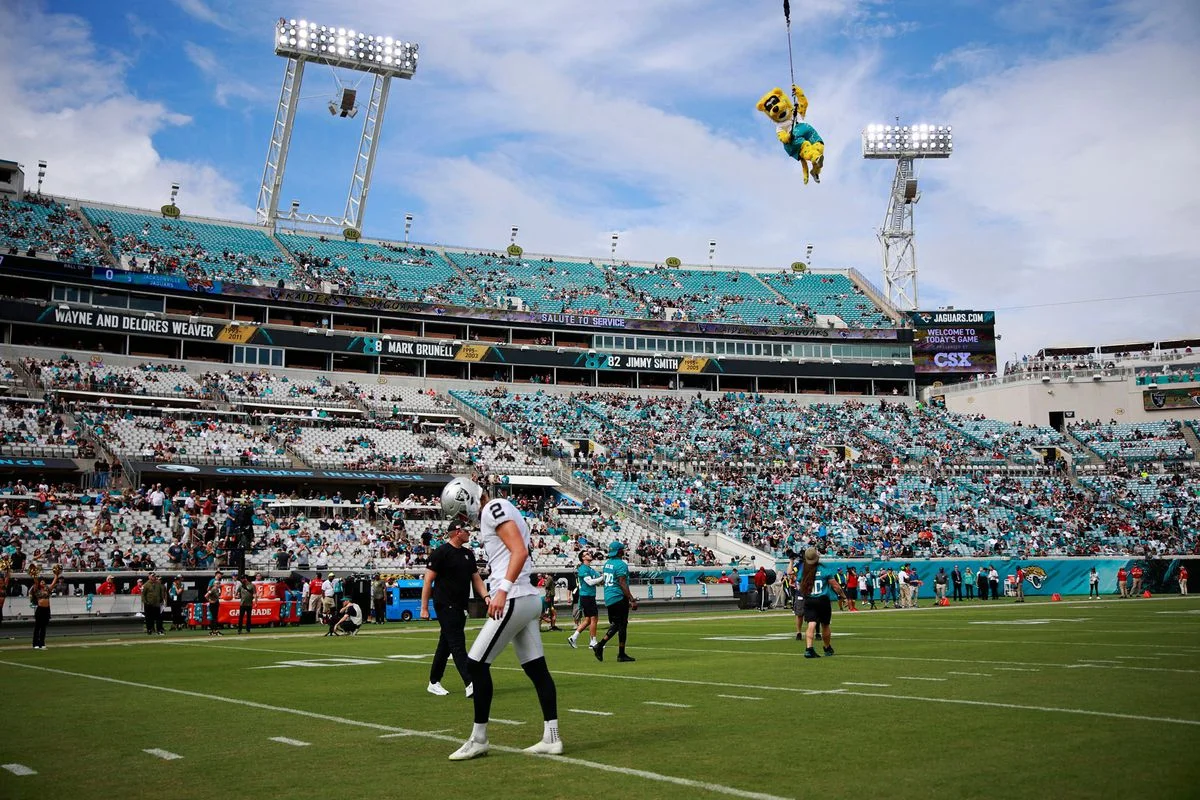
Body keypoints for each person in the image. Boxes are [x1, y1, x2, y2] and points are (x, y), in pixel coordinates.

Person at [439, 477, 561, 761]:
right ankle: (552, 737)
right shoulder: (495, 510)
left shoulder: (494, 507)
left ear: (467, 499)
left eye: (459, 511)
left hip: (516, 596)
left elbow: (519, 550)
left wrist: (502, 591)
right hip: (526, 596)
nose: (460, 519)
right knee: (536, 669)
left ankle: (479, 739)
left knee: (476, 664)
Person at [421, 520, 489, 697]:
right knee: (458, 644)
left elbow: (476, 579)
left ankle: (434, 682)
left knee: (446, 645)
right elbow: (428, 581)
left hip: (460, 605)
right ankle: (470, 683)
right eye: (467, 531)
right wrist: (424, 607)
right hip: (445, 604)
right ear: (457, 532)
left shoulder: (468, 554)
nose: (469, 534)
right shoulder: (441, 553)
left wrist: (486, 596)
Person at [594, 540, 638, 663]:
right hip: (618, 597)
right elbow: (622, 582)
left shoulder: (607, 563)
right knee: (622, 625)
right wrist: (631, 599)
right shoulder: (621, 564)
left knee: (617, 624)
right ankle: (614, 651)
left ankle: (605, 647)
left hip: (609, 597)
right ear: (620, 551)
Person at [798, 548, 846, 658]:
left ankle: (809, 648)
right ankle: (827, 647)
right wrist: (843, 596)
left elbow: (799, 584)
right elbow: (835, 586)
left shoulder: (804, 570)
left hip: (809, 599)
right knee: (825, 624)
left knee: (811, 624)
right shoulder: (824, 570)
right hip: (822, 600)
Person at [568, 550, 604, 650]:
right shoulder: (583, 569)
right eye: (587, 554)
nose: (589, 554)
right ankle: (593, 642)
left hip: (589, 596)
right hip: (586, 596)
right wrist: (602, 578)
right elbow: (590, 582)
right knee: (594, 618)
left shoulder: (590, 569)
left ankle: (573, 637)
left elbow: (598, 580)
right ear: (583, 558)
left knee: (588, 620)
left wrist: (602, 579)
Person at [30, 568, 61, 649]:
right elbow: (36, 582)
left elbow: (53, 583)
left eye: (44, 581)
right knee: (37, 627)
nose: (43, 582)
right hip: (40, 610)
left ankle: (42, 643)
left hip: (46, 610)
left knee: (43, 628)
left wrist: (56, 575)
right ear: (39, 583)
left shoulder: (47, 589)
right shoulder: (36, 589)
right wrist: (34, 575)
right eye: (41, 581)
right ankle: (35, 644)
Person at [206, 571, 224, 636]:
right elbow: (207, 591)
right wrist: (210, 599)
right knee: (214, 617)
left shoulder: (217, 587)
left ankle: (213, 631)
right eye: (220, 574)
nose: (221, 576)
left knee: (215, 617)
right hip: (213, 602)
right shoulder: (213, 584)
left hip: (216, 601)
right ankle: (215, 630)